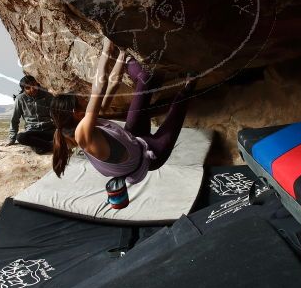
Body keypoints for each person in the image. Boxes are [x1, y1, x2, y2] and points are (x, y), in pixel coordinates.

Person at [50, 38, 196, 195]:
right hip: (149, 157)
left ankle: (133, 63)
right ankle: (190, 84)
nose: (85, 100)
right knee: (178, 108)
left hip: (134, 138)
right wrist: (107, 47)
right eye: (81, 101)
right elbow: (98, 89)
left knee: (147, 78)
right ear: (75, 113)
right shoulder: (83, 135)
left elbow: (112, 84)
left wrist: (122, 53)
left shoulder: (85, 121)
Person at [8, 75, 55, 154]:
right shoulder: (20, 99)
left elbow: (56, 114)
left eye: (34, 85)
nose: (32, 89)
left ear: (37, 84)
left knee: (40, 149)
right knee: (20, 137)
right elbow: (15, 119)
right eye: (28, 88)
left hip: (49, 130)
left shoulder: (47, 95)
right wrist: (12, 138)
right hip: (33, 132)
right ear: (23, 89)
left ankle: (47, 145)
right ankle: (52, 145)